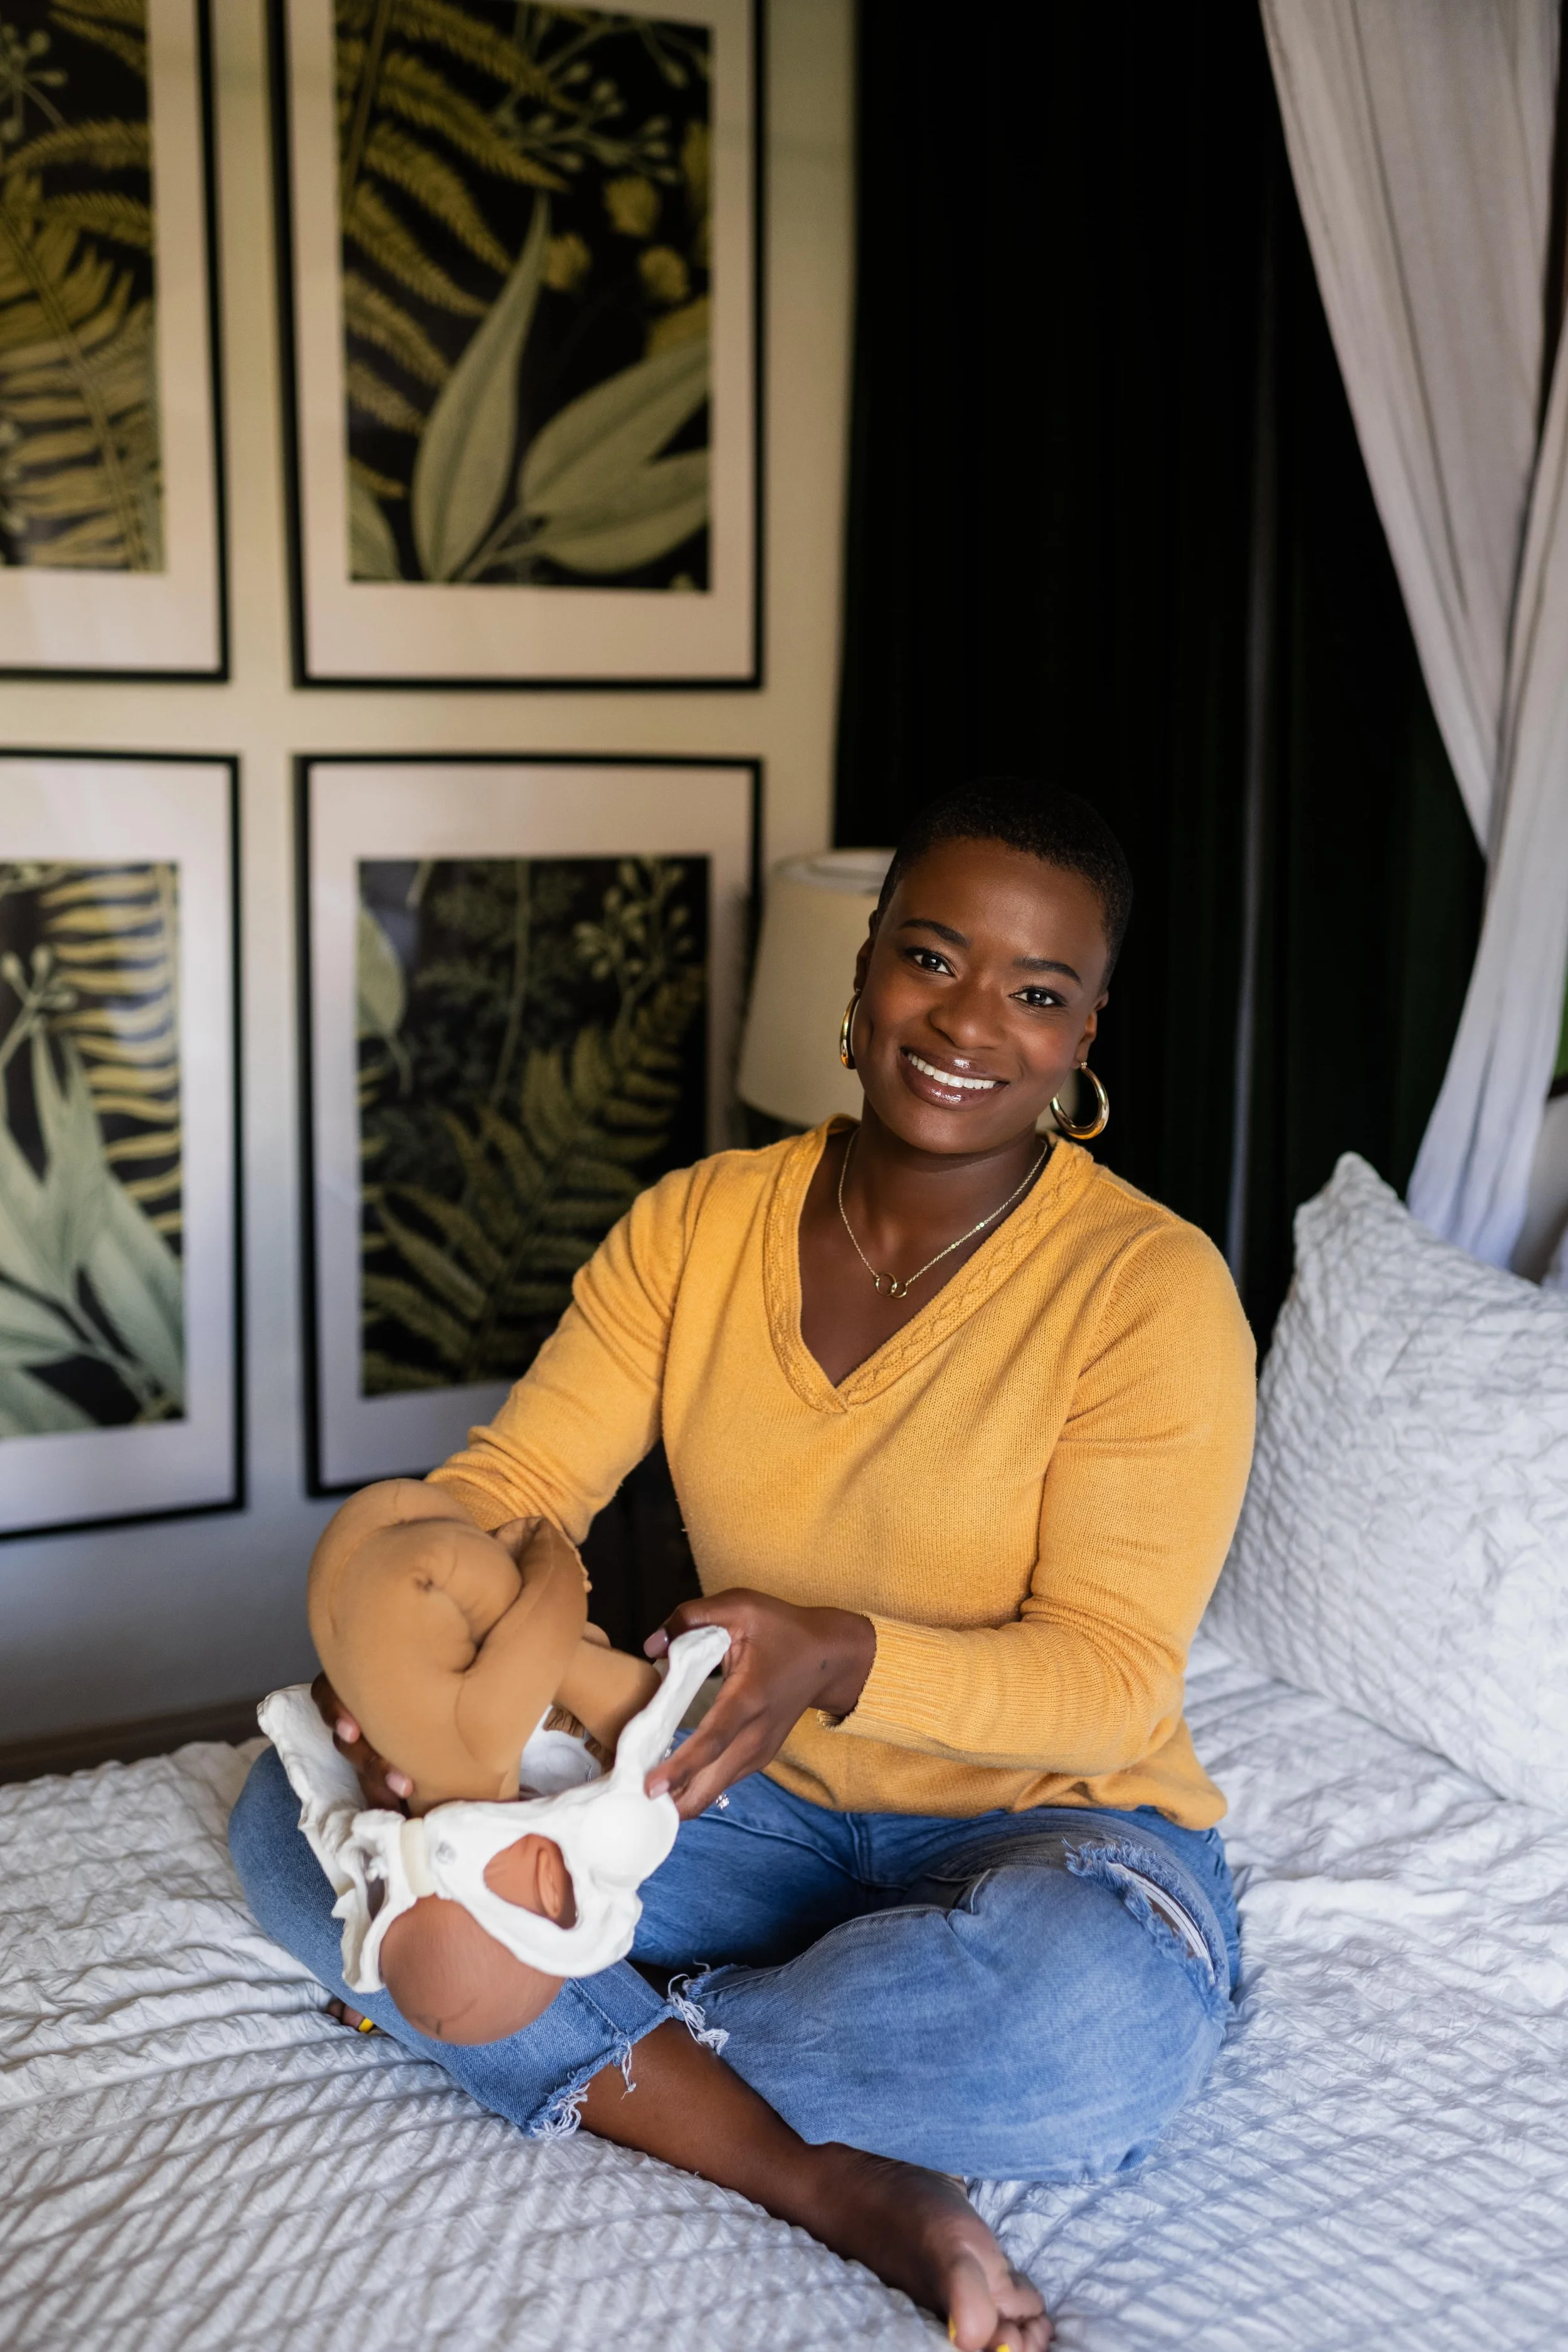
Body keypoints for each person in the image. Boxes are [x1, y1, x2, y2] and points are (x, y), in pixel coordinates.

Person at [231, 778, 1256, 2352]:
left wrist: (843, 1656)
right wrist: (398, 1646)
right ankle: (835, 2182)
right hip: (735, 1796)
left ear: (1083, 1035)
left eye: (1036, 993)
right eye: (931, 958)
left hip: (1052, 1834)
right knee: (281, 1829)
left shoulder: (1147, 1291)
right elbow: (508, 1492)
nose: (968, 1020)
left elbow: (1111, 1683)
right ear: (862, 975)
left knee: (1084, 2034)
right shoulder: (697, 1226)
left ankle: (490, 2005)